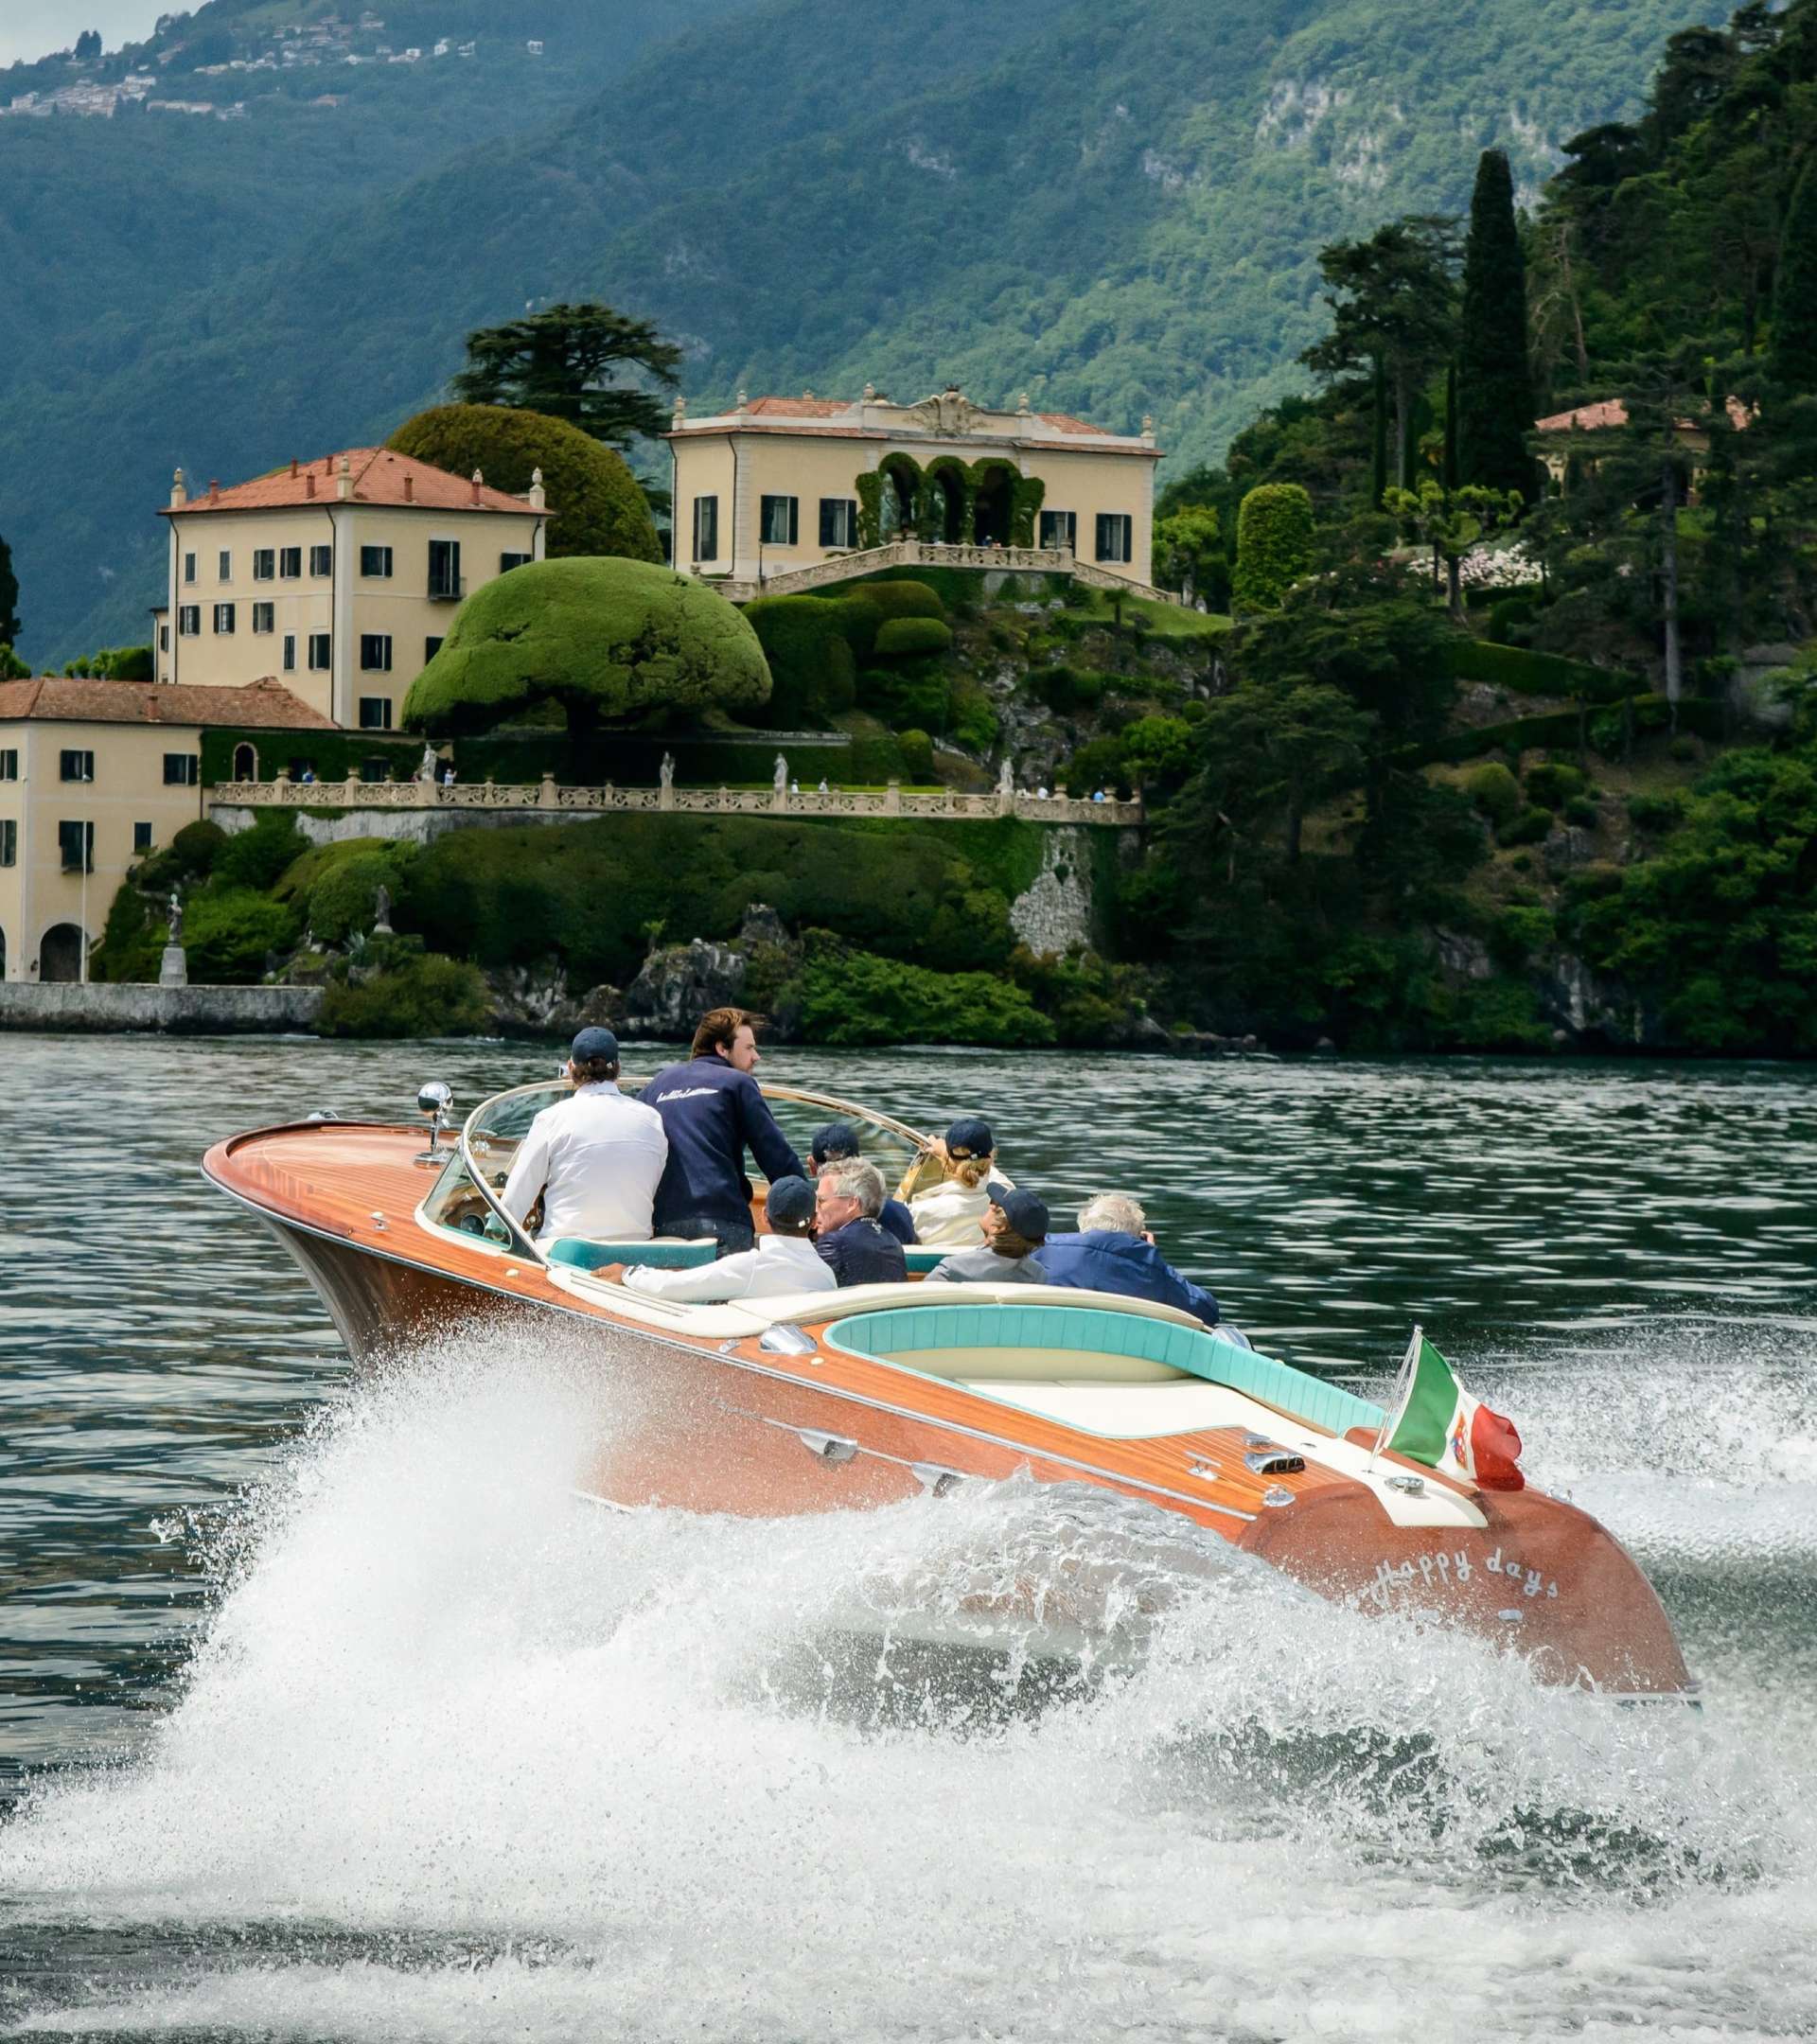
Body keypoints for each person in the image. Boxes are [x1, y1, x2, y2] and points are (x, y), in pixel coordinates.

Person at [644, 1007, 804, 1255]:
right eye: (749, 1048)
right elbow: (776, 1158)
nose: (757, 1057)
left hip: (665, 1224)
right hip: (723, 1222)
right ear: (722, 1048)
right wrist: (806, 1207)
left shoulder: (657, 1085)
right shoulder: (738, 1083)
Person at [500, 1027, 668, 1247]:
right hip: (633, 1254)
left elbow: (514, 1201)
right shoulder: (652, 1119)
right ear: (617, 1067)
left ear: (571, 1068)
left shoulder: (550, 1119)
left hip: (563, 1254)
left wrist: (495, 1232)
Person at [613, 1175, 835, 1302]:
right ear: (815, 1221)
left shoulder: (749, 1267)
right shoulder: (825, 1275)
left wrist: (628, 1272)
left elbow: (670, 1288)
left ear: (764, 1216)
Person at [1033, 1191, 1220, 1329]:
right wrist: (1150, 1255)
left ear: (1083, 1226)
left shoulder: (1043, 1248)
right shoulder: (1149, 1265)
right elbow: (1207, 1310)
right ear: (1137, 1237)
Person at [809, 1121, 916, 1243]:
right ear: (859, 1162)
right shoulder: (901, 1213)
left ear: (811, 1165)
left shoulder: (812, 1221)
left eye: (821, 1201)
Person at [926, 1182, 1051, 1285]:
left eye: (994, 1204)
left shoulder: (951, 1269)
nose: (990, 1206)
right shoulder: (1038, 1276)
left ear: (999, 1228)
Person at [814, 1158, 908, 1286]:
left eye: (821, 1201)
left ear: (852, 1204)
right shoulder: (893, 1243)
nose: (815, 1209)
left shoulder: (833, 1243)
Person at [908, 1118, 997, 1247]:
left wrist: (945, 1152)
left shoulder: (920, 1211)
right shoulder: (1003, 1200)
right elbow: (992, 1172)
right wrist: (946, 1152)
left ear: (947, 1161)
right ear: (991, 1155)